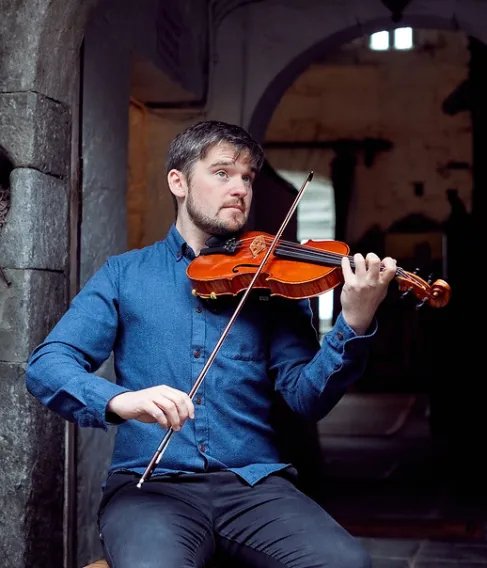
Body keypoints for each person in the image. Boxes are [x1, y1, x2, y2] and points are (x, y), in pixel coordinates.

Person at [26, 120, 396, 568]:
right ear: (178, 182)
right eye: (222, 173)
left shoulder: (270, 284)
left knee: (346, 564)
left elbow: (306, 399)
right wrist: (122, 400)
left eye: (247, 177)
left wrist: (353, 322)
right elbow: (47, 364)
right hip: (152, 487)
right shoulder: (125, 275)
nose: (239, 188)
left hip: (254, 485)